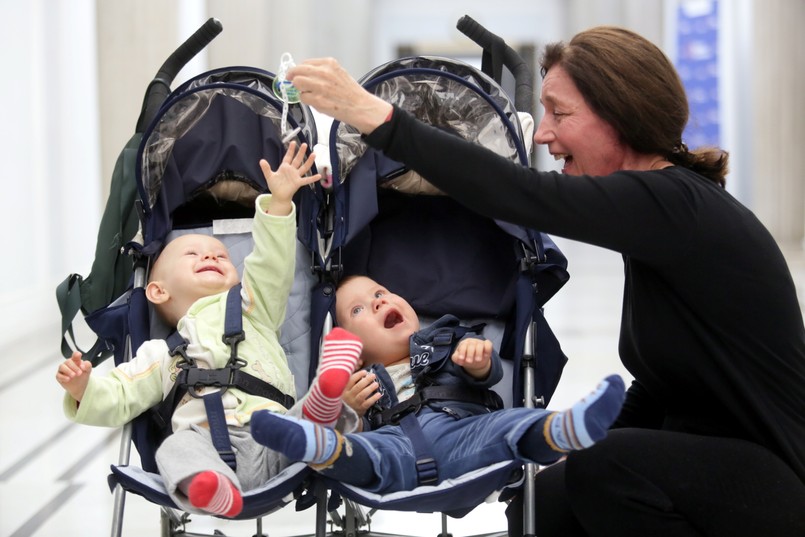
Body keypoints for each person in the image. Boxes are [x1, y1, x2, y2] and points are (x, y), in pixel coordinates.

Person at [277, 25, 805, 537]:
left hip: (774, 480)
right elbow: (666, 382)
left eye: (560, 113)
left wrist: (372, 116)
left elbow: (521, 194)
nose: (544, 132)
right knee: (546, 498)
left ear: (619, 112)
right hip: (713, 466)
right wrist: (581, 441)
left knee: (604, 469)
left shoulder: (675, 204)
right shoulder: (658, 220)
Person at [56, 143, 363, 518]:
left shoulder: (254, 310)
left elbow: (271, 265)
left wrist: (280, 203)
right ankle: (211, 485)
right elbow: (121, 393)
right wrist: (83, 389)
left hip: (271, 431)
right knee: (173, 449)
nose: (211, 256)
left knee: (301, 424)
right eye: (192, 255)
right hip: (202, 441)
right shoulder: (161, 353)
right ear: (158, 291)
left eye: (221, 255)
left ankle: (324, 403)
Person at [250, 274, 626, 496]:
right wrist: (349, 407)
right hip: (395, 449)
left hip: (465, 432)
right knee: (364, 452)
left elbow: (488, 376)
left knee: (508, 425)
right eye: (358, 310)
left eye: (380, 293)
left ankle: (563, 428)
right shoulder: (359, 380)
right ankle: (317, 447)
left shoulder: (445, 340)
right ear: (353, 350)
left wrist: (479, 362)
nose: (378, 302)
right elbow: (360, 426)